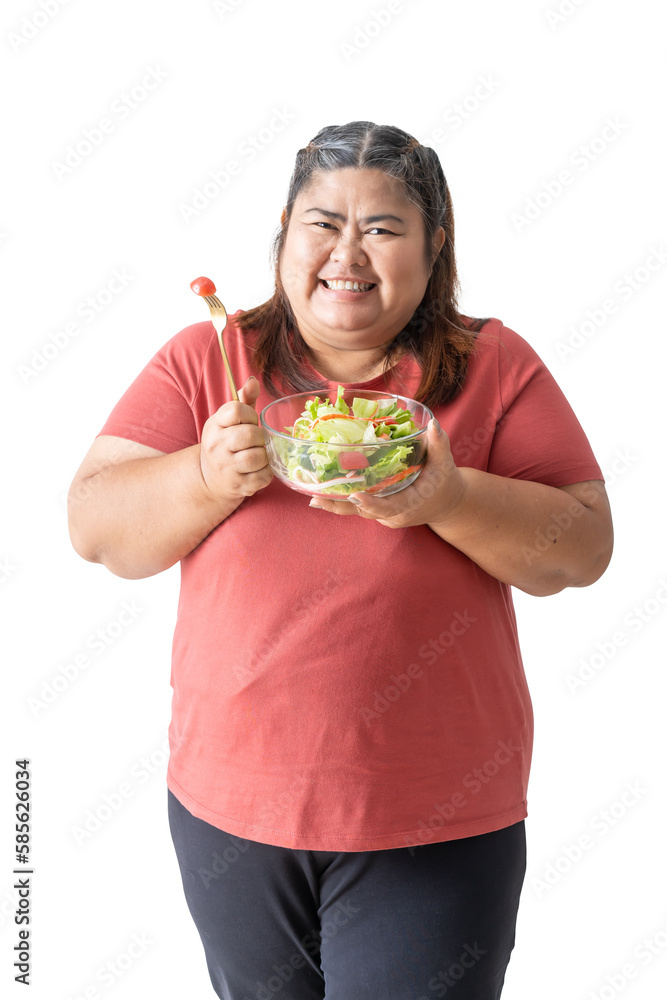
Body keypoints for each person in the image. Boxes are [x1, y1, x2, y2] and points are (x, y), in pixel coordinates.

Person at [68, 121, 613, 1000]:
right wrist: (203, 478)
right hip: (230, 811)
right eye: (322, 223)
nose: (346, 253)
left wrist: (450, 500)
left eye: (385, 228)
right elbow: (95, 529)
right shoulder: (211, 359)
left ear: (435, 247)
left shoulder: (492, 365)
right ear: (285, 232)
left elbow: (583, 549)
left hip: (433, 816)